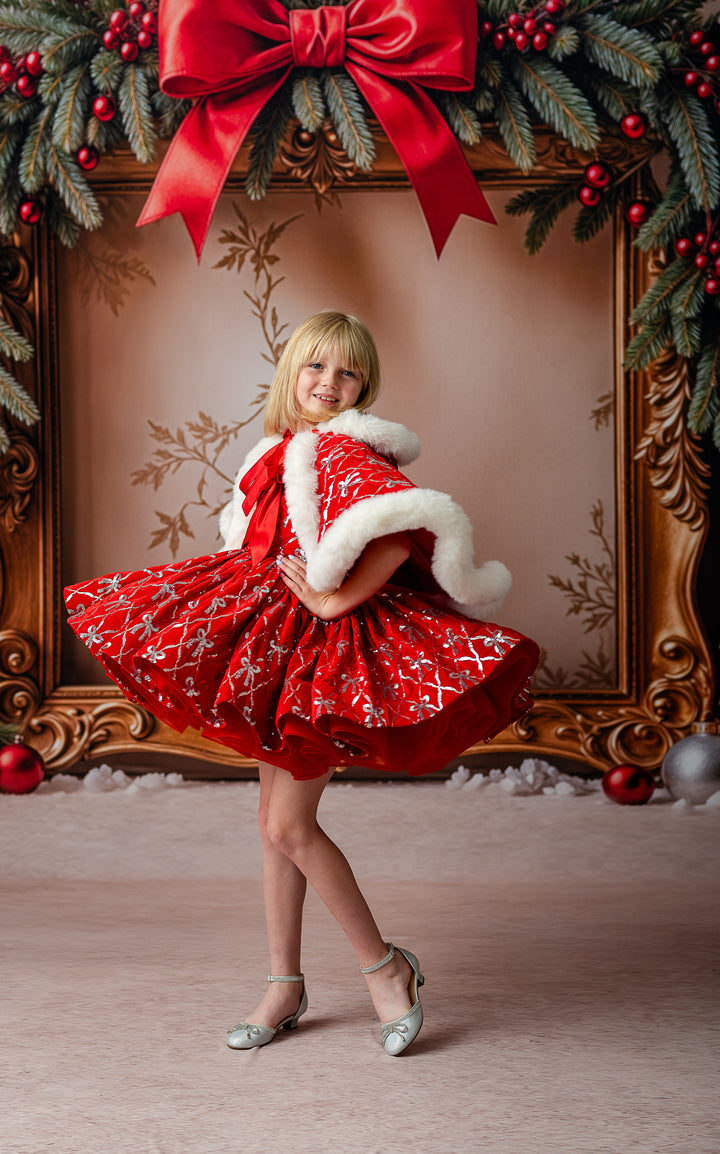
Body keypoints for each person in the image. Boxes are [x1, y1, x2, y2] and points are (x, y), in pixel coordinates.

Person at [64, 310, 539, 1056]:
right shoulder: (283, 450)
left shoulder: (346, 450)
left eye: (347, 372)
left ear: (364, 387)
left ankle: (386, 969)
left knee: (289, 826)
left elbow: (397, 531)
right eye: (316, 366)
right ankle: (284, 983)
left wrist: (329, 600)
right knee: (271, 826)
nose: (329, 382)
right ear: (292, 372)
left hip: (321, 655)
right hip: (269, 643)